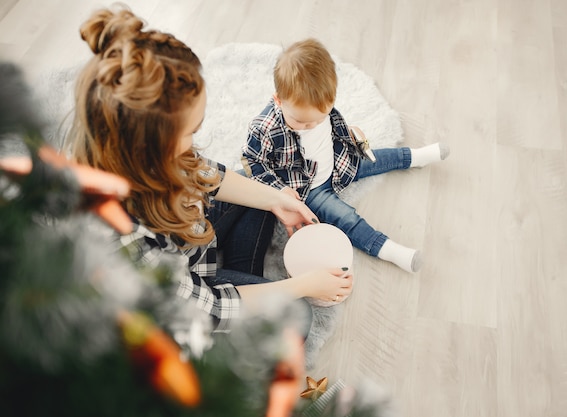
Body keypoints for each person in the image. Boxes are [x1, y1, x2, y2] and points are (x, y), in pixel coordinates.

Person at [64, 6, 353, 335]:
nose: (193, 142)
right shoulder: (125, 240)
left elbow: (206, 174)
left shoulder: (136, 153)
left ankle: (245, 277)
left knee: (257, 193)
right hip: (187, 308)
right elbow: (210, 309)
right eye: (189, 133)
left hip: (193, 254)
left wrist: (278, 200)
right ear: (147, 147)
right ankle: (246, 296)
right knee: (296, 315)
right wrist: (303, 286)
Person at [242, 38, 449, 273]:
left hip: (340, 159)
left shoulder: (320, 104)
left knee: (378, 157)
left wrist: (349, 134)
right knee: (345, 218)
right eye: (302, 122)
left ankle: (415, 156)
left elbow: (332, 126)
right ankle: (389, 249)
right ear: (279, 100)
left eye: (320, 118)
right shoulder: (264, 128)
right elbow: (252, 163)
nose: (312, 125)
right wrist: (280, 191)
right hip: (310, 188)